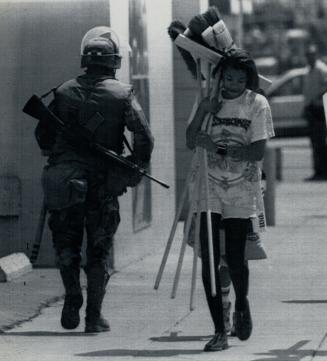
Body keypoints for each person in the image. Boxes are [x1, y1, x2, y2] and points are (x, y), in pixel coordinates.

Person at [34, 26, 154, 333]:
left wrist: (58, 154)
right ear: (114, 61)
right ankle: (93, 317)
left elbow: (43, 134)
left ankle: (72, 295)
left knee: (66, 245)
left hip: (64, 180)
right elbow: (144, 136)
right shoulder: (121, 93)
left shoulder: (62, 91)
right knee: (99, 251)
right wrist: (134, 165)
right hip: (102, 183)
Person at [186, 48, 274, 351]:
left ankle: (241, 305)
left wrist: (218, 148)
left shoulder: (256, 104)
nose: (232, 84)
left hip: (241, 189)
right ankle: (219, 330)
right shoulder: (209, 98)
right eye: (228, 77)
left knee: (236, 258)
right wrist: (203, 111)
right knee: (209, 259)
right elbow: (189, 139)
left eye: (239, 79)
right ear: (219, 76)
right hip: (207, 188)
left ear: (248, 79)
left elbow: (257, 152)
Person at [303, 44, 327, 181]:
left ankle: (323, 170)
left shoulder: (321, 69)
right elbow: (306, 91)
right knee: (314, 141)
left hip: (319, 108)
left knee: (320, 141)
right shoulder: (307, 71)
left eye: (311, 55)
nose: (309, 58)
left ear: (315, 55)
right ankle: (317, 170)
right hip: (311, 109)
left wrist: (319, 97)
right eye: (308, 55)